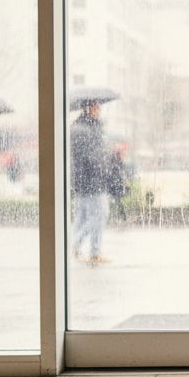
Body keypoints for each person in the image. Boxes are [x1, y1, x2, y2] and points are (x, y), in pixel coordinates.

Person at [70, 100, 112, 265]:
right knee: (100, 215)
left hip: (83, 181)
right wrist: (105, 166)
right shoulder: (85, 130)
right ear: (88, 109)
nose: (99, 109)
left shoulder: (83, 127)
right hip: (92, 180)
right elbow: (90, 157)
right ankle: (77, 245)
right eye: (96, 106)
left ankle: (91, 251)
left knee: (82, 217)